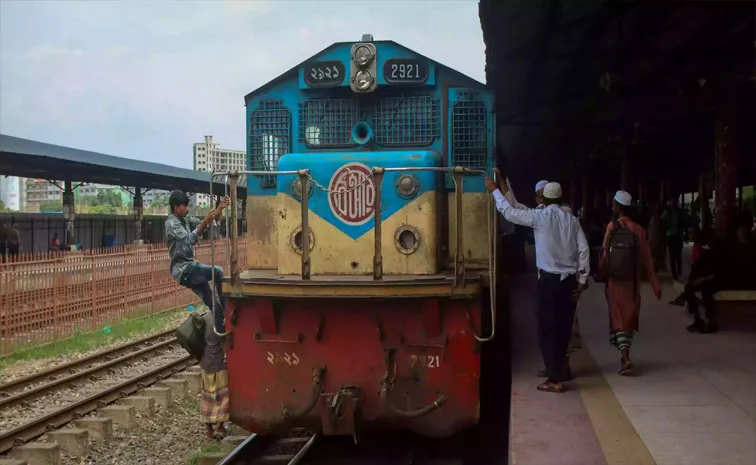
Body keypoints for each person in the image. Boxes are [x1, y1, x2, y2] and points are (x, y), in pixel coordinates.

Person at [486, 176, 589, 393]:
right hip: (569, 283)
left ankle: (554, 380)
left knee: (547, 330)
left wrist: (495, 191)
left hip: (550, 282)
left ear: (545, 200)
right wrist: (582, 280)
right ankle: (558, 371)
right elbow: (584, 250)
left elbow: (510, 213)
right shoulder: (572, 220)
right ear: (560, 199)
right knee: (562, 330)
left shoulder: (540, 217)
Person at [599, 191, 661, 375]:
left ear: (618, 207)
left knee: (617, 318)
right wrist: (655, 283)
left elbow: (605, 253)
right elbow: (647, 259)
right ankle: (625, 355)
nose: (612, 208)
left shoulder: (612, 227)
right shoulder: (639, 230)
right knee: (628, 317)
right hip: (632, 281)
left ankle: (625, 356)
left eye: (613, 205)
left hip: (614, 281)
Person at [166, 190, 230, 335]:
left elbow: (205, 222)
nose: (187, 209)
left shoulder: (185, 220)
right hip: (184, 270)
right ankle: (228, 310)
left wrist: (218, 210)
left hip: (190, 267)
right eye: (184, 206)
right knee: (218, 271)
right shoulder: (171, 224)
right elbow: (189, 240)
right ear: (176, 207)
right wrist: (206, 222)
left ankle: (222, 334)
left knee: (214, 304)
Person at [200, 309, 230, 440]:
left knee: (207, 397)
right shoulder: (219, 320)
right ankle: (219, 426)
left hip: (205, 363)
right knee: (223, 396)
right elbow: (223, 343)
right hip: (218, 363)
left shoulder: (205, 317)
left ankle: (209, 430)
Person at [661, 197, 685, 280]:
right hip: (677, 235)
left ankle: (676, 274)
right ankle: (678, 273)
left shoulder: (668, 211)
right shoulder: (678, 211)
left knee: (673, 256)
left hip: (671, 235)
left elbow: (662, 220)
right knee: (677, 255)